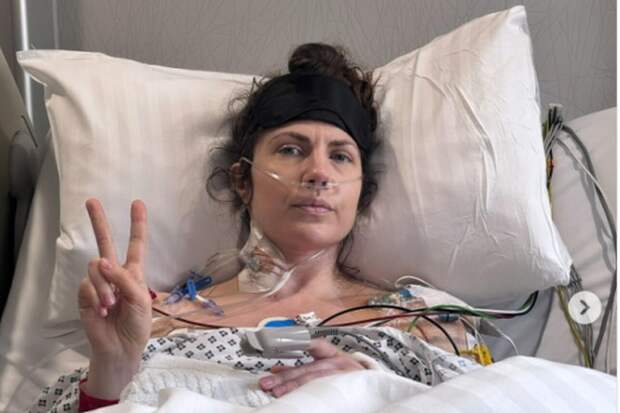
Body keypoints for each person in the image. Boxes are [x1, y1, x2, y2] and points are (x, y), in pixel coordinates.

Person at [31, 43, 481, 413]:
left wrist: (376, 386)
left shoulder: (426, 321)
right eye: (290, 150)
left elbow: (495, 398)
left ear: (361, 193)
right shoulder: (156, 319)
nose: (318, 172)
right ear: (242, 180)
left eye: (341, 156)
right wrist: (112, 370)